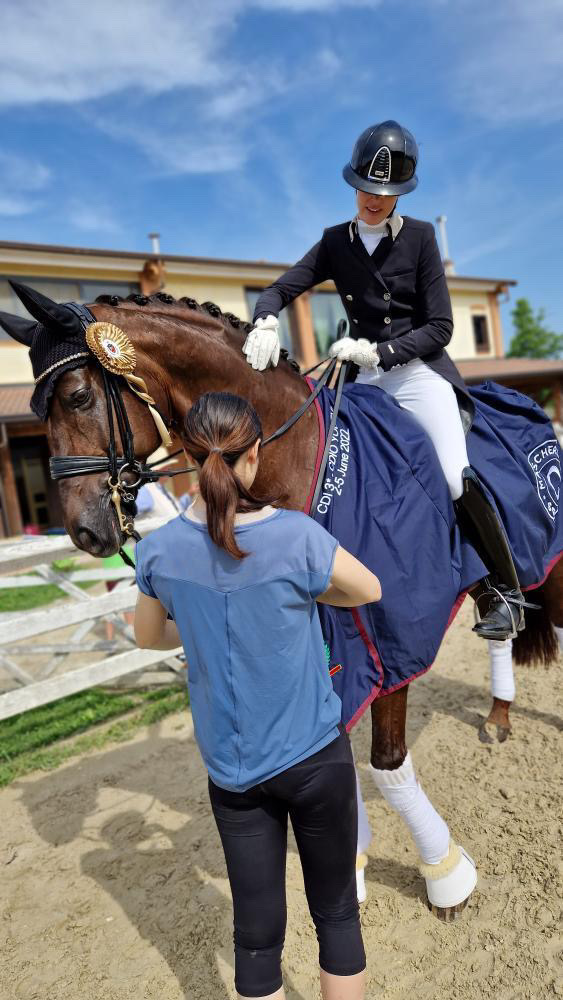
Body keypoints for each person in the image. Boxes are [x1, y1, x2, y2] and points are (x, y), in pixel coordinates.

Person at [134, 391, 381, 1000]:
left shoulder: (158, 551)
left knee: (255, 934)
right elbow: (368, 590)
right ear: (254, 456)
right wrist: (310, 595)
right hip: (315, 757)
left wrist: (193, 618)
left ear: (186, 457)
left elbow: (147, 637)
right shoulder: (297, 538)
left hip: (233, 774)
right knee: (337, 915)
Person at [242, 120, 529, 641]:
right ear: (354, 184)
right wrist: (264, 318)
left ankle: (501, 593)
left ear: (400, 192)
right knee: (329, 474)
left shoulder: (420, 237)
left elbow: (441, 326)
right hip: (360, 382)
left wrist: (381, 351)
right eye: (368, 188)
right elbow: (281, 289)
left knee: (449, 471)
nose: (375, 199)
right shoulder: (334, 242)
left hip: (414, 372)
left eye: (387, 191)